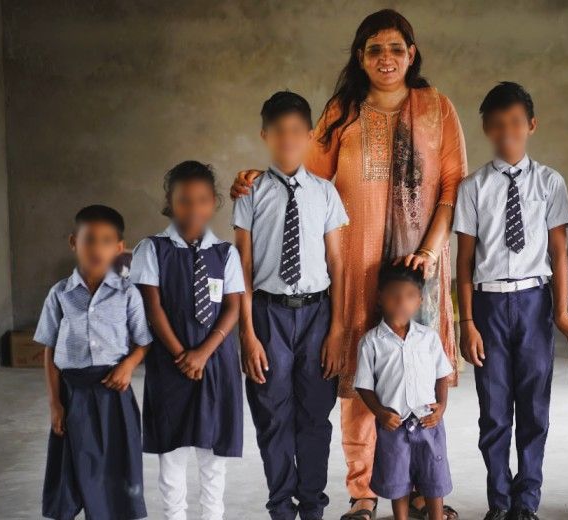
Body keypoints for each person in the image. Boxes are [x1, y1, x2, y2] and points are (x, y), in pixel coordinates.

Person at [229, 9, 466, 520]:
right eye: (375, 49)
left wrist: (427, 253)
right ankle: (363, 491)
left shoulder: (437, 109)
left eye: (396, 49)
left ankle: (424, 488)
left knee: (418, 373)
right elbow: (304, 183)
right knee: (361, 372)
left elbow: (453, 189)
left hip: (416, 269)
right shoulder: (341, 111)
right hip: (353, 266)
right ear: (360, 57)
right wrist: (253, 180)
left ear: (412, 53)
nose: (386, 59)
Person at [454, 81, 568, 520]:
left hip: (534, 302)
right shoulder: (473, 187)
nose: (506, 132)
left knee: (534, 407)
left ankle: (526, 502)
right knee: (494, 411)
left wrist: (561, 312)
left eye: (515, 122)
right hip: (489, 304)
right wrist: (468, 323)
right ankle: (499, 503)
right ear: (486, 129)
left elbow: (559, 253)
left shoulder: (550, 182)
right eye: (497, 125)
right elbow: (464, 260)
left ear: (531, 125)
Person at [232, 90, 349, 520]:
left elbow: (337, 261)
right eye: (278, 132)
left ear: (310, 136)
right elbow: (241, 263)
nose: (287, 140)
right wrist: (247, 333)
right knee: (272, 413)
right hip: (267, 315)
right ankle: (281, 506)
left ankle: (313, 505)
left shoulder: (325, 193)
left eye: (296, 132)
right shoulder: (250, 193)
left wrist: (337, 329)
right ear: (265, 135)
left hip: (317, 314)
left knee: (315, 415)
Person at [130, 161, 245, 520]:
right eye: (183, 200)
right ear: (169, 202)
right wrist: (183, 355)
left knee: (213, 456)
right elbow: (153, 307)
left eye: (201, 200)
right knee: (173, 452)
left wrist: (203, 354)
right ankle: (174, 515)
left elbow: (233, 308)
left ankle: (213, 515)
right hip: (171, 365)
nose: (193, 209)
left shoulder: (225, 253)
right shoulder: (152, 250)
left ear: (213, 203)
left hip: (215, 365)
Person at [35, 205, 152, 520]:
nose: (96, 248)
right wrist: (55, 404)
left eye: (105, 241)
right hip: (73, 394)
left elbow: (143, 342)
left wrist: (128, 366)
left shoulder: (128, 294)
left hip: (114, 394)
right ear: (74, 243)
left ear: (117, 248)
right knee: (73, 467)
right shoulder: (59, 294)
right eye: (89, 240)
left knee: (116, 470)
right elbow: (49, 349)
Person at [355, 263, 453, 520]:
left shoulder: (428, 338)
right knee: (398, 478)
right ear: (379, 298)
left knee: (434, 475)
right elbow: (364, 385)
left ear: (420, 301)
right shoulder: (371, 342)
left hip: (427, 421)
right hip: (394, 424)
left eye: (410, 296)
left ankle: (436, 515)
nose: (401, 302)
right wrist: (379, 412)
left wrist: (441, 407)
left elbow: (443, 374)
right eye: (394, 295)